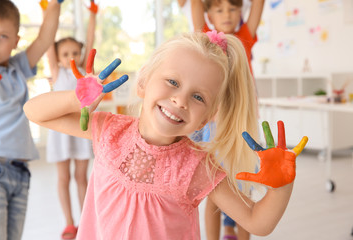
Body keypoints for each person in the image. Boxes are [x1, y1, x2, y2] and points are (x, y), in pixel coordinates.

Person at [23, 31, 307, 240]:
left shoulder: (198, 168)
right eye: (172, 82)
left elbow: (258, 223)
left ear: (208, 116)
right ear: (144, 80)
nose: (180, 101)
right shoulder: (110, 130)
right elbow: (34, 111)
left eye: (198, 97)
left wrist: (282, 186)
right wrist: (77, 99)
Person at [191, 1, 264, 239]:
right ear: (208, 14)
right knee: (214, 191)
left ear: (240, 12)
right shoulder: (206, 40)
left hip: (244, 127)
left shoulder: (245, 36)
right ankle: (224, 230)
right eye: (220, 9)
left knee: (243, 192)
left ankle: (234, 230)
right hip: (215, 127)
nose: (227, 14)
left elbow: (258, 6)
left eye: (233, 9)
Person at [0, 0, 62, 239]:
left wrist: (54, 6)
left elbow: (45, 39)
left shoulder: (18, 67)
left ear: (15, 41)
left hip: (21, 172)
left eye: (2, 36)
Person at [44, 1, 97, 239]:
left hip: (81, 131)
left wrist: (93, 17)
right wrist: (47, 12)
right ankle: (68, 222)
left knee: (81, 177)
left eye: (76, 53)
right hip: (60, 135)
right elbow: (47, 40)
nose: (71, 57)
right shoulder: (56, 72)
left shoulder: (84, 73)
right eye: (65, 54)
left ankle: (86, 221)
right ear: (56, 56)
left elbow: (90, 39)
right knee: (63, 178)